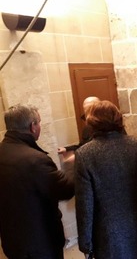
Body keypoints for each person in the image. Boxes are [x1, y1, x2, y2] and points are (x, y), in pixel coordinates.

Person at [74, 100, 137, 259]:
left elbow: (85, 204)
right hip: (135, 224)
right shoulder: (136, 145)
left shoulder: (85, 154)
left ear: (92, 122)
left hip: (106, 230)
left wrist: (85, 243)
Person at [0, 104, 75, 259]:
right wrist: (75, 165)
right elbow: (65, 189)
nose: (40, 126)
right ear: (32, 126)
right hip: (40, 243)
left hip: (13, 240)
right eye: (39, 122)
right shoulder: (35, 160)